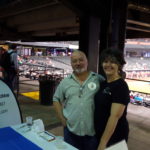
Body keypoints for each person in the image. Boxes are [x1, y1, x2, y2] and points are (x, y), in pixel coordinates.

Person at [53, 50, 104, 150]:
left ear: (87, 61)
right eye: (74, 61)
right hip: (70, 131)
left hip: (92, 133)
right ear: (71, 64)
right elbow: (56, 99)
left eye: (81, 60)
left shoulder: (98, 79)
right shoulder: (65, 82)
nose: (78, 63)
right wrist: (62, 119)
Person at [94, 48, 130, 150]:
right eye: (105, 61)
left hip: (114, 138)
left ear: (119, 65)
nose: (108, 65)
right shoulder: (103, 83)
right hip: (100, 133)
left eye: (113, 62)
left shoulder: (121, 86)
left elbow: (114, 117)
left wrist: (103, 143)